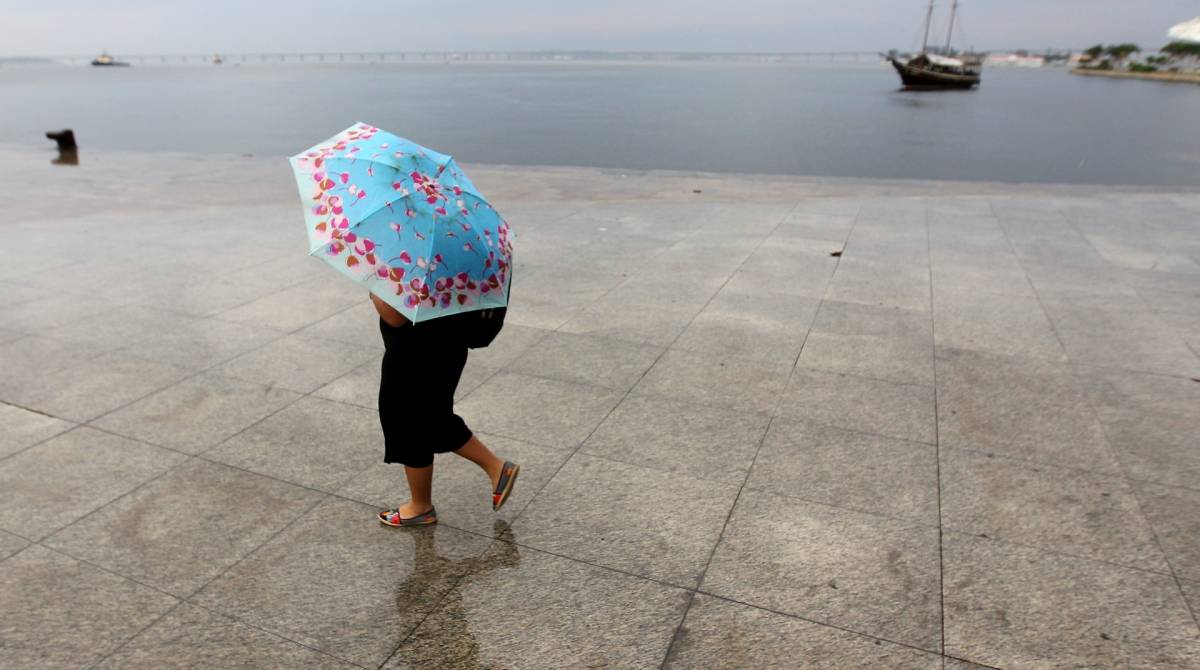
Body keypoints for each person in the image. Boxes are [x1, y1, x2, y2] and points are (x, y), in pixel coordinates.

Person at [371, 293, 519, 527]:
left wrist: (374, 289)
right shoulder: (455, 261)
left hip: (414, 353)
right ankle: (423, 503)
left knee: (409, 421)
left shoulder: (409, 260)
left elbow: (394, 316)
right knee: (431, 417)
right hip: (449, 346)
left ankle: (493, 469)